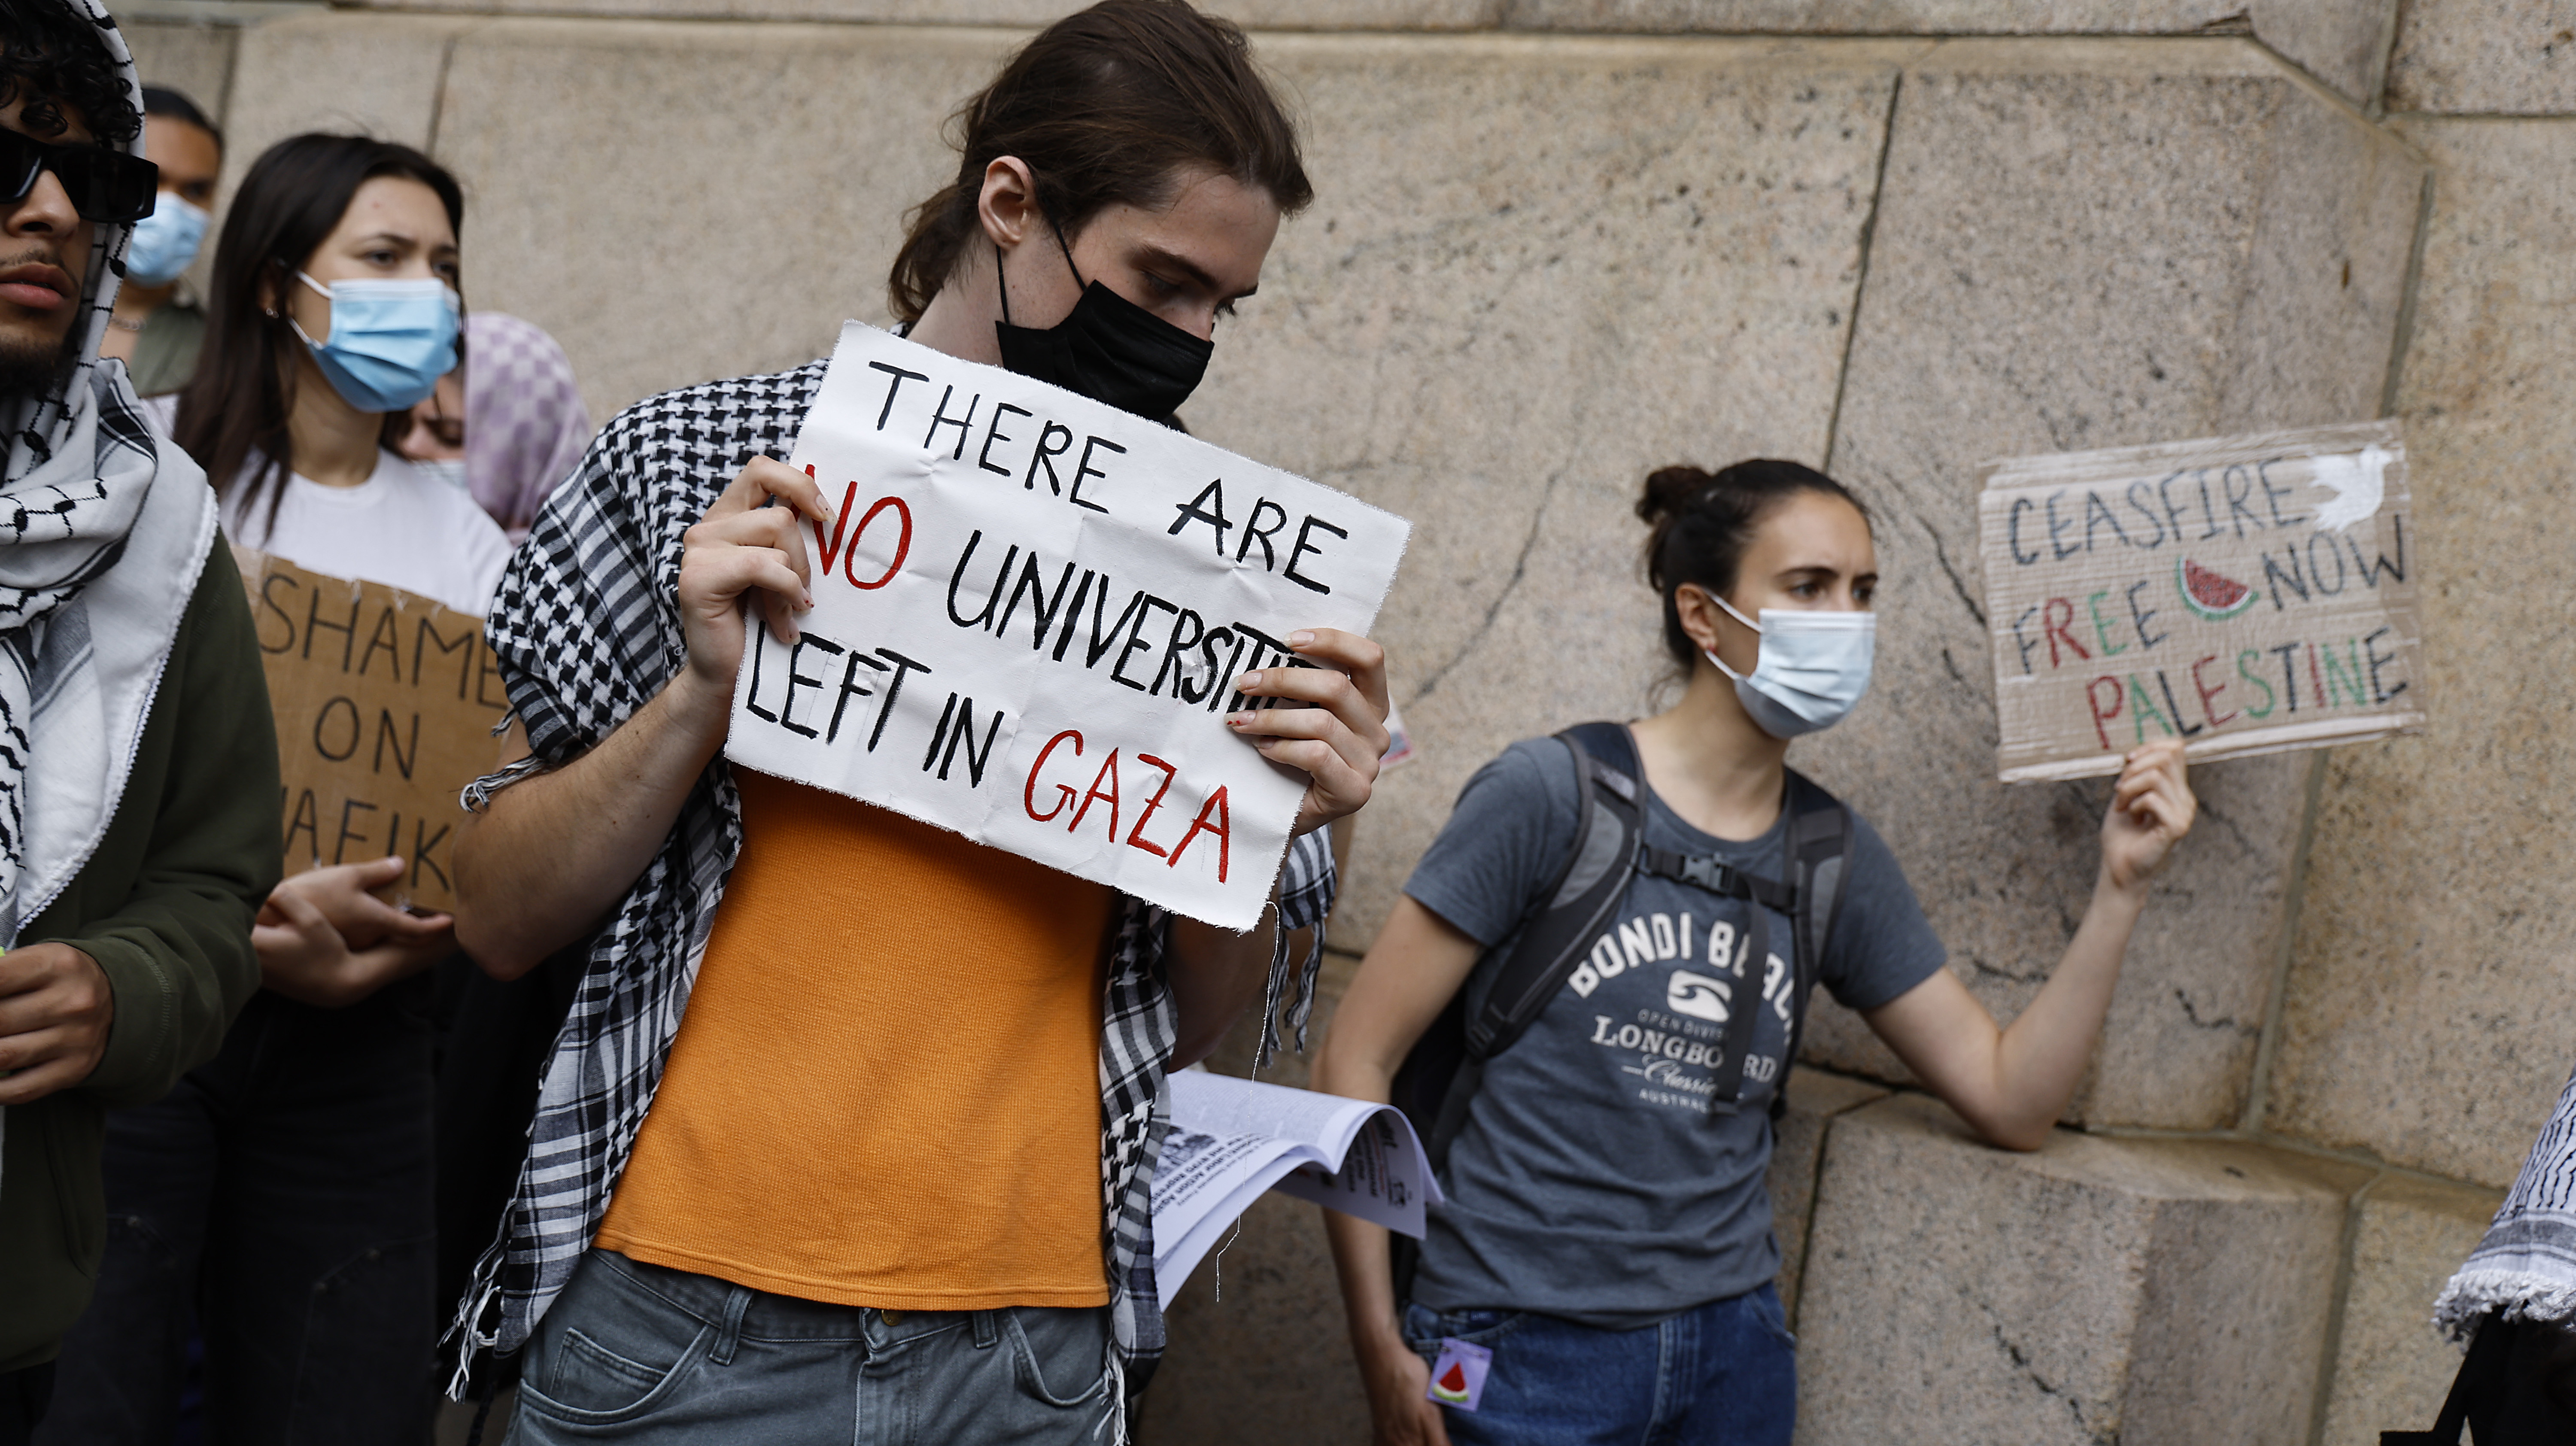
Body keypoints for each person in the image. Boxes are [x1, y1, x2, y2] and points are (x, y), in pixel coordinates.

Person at [445, 3, 1385, 1441]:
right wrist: (702, 694)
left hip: (1032, 1351)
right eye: (1164, 281)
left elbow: (1200, 1030)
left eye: (1224, 306)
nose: (1192, 338)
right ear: (1011, 205)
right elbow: (498, 914)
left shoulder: (1217, 573)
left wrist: (1263, 829)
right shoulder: (699, 470)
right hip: (678, 1330)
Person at [1313, 460, 2199, 1446]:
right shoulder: (1550, 794)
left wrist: (2122, 886)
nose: (1846, 620)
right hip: (1514, 1350)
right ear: (1702, 615)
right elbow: (1356, 1059)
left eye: (1863, 593)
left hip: (1730, 1357)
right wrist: (1373, 1335)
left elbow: (2010, 1099)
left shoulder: (1832, 856)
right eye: (1809, 587)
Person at [35, 134, 508, 1446]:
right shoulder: (138, 480)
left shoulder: (474, 547)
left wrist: (408, 931)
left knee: (336, 1395)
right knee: (93, 1386)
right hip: (135, 1033)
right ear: (273, 282)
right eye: (385, 257)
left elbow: (486, 820)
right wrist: (228, 935)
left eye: (445, 266)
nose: (428, 292)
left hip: (363, 1054)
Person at [0, 2, 282, 1442]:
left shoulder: (162, 527)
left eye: (91, 179)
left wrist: (120, 985)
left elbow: (213, 889)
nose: (50, 210)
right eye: (4, 161)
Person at [396, 310, 591, 543]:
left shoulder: (599, 569)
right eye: (401, 426)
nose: (410, 446)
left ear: (526, 456)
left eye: (450, 436)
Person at [97, 84, 216, 396]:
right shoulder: (28, 311)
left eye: (195, 191)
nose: (171, 207)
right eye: (148, 181)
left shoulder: (217, 355)